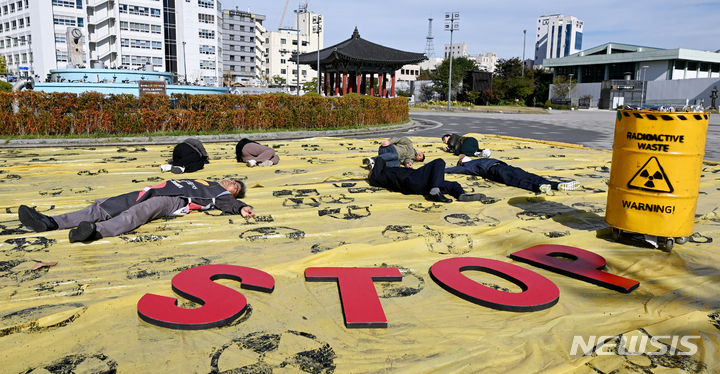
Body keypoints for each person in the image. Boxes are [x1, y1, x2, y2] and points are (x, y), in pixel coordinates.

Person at [18, 179, 254, 243]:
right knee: (104, 206)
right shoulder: (206, 180)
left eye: (236, 187)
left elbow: (229, 205)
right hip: (153, 190)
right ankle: (50, 222)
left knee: (136, 215)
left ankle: (94, 232)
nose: (232, 183)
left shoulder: (221, 195)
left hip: (173, 201)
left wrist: (242, 207)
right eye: (233, 180)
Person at [367, 157, 485, 203]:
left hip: (420, 185)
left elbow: (381, 162)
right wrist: (372, 165)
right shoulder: (378, 176)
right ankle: (435, 191)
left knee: (453, 184)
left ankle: (461, 195)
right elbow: (380, 160)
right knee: (439, 162)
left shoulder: (384, 173)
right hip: (412, 179)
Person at [445, 156, 579, 193]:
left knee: (526, 175)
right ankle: (538, 187)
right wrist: (441, 169)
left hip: (502, 166)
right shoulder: (468, 166)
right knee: (517, 179)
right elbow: (454, 170)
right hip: (494, 171)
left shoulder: (476, 160)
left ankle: (557, 185)